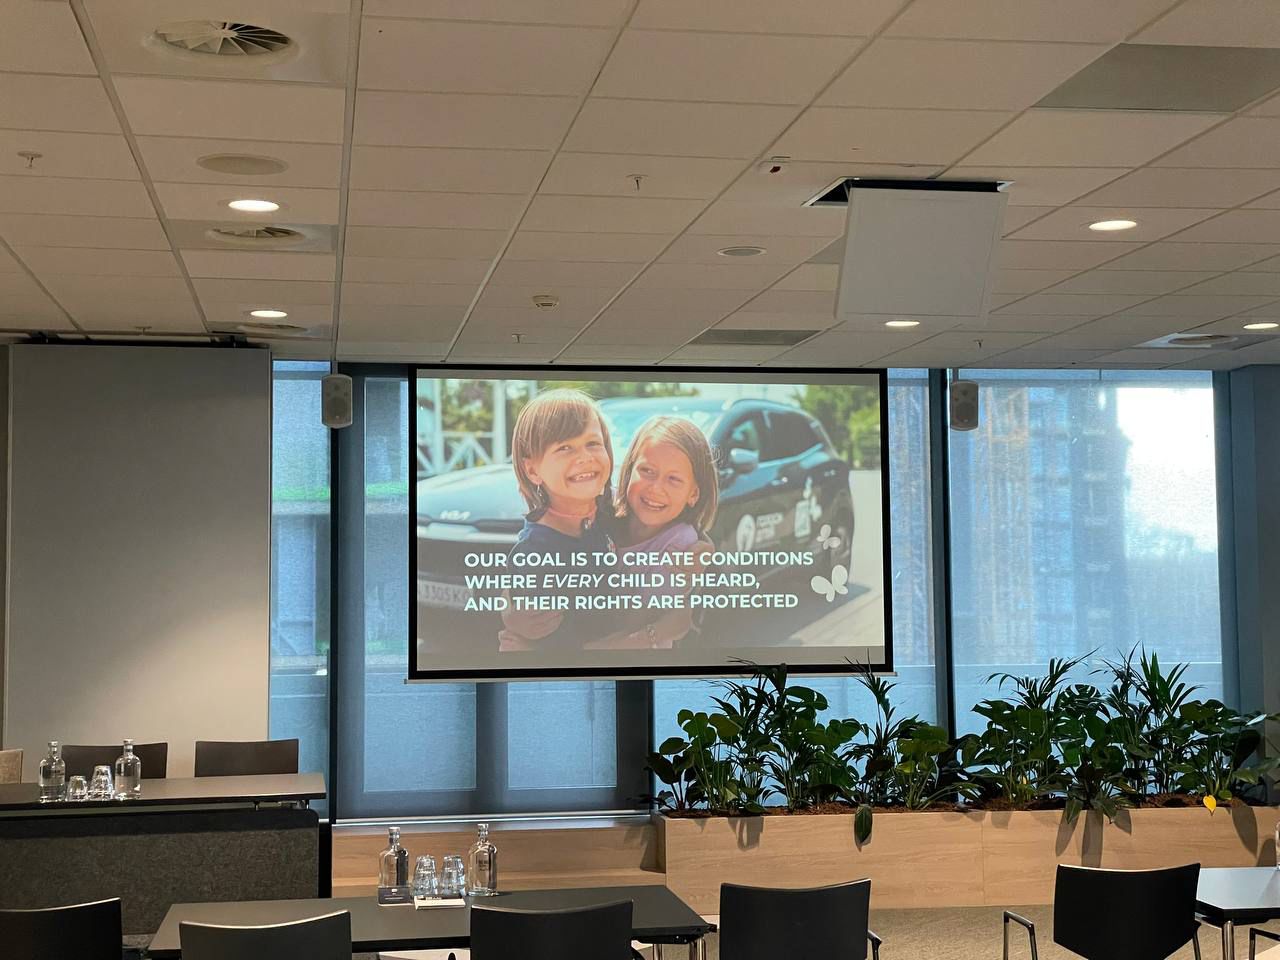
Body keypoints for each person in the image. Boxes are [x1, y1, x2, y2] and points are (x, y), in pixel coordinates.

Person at [587, 416, 719, 650]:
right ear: (629, 470)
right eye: (647, 470)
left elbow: (630, 623)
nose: (656, 488)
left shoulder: (681, 544)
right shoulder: (602, 510)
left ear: (694, 494)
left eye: (674, 479)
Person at [498, 388, 615, 650]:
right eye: (565, 447)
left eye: (593, 443)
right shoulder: (535, 553)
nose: (584, 457)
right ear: (532, 470)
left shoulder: (609, 512)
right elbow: (560, 650)